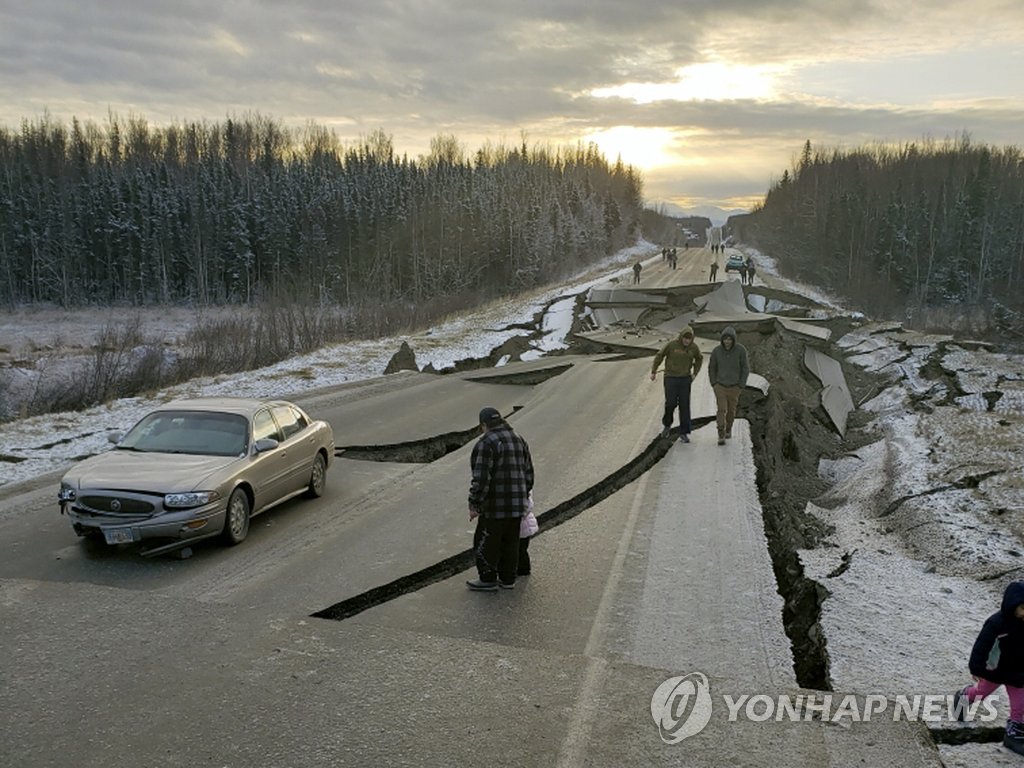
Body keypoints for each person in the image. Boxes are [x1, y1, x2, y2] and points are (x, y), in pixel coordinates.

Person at [467, 407, 534, 591]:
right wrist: (523, 496)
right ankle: (508, 580)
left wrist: (474, 504)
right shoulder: (519, 439)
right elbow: (529, 474)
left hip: (495, 506)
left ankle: (488, 579)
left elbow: (481, 478)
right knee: (511, 542)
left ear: (483, 425)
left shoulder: (487, 443)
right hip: (517, 505)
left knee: (485, 542)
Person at [954, 581, 1024, 754]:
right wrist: (976, 667)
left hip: (1018, 672)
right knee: (980, 693)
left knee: (1020, 703)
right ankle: (965, 697)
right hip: (995, 670)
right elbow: (981, 645)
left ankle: (1013, 734)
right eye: (1023, 608)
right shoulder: (996, 623)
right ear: (1012, 605)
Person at [650, 326, 702, 443]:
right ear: (681, 337)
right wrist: (654, 371)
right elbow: (660, 355)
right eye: (685, 338)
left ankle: (684, 432)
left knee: (684, 406)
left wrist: (695, 373)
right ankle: (667, 425)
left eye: (689, 339)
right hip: (670, 378)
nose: (686, 341)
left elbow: (699, 358)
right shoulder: (672, 345)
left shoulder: (693, 347)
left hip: (685, 379)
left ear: (692, 339)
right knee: (671, 403)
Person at [707, 327, 749, 445]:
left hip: (735, 387)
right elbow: (712, 368)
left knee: (731, 410)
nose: (727, 342)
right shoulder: (716, 351)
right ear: (722, 340)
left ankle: (728, 429)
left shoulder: (741, 350)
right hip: (720, 386)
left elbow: (745, 368)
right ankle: (721, 433)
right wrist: (714, 383)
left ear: (733, 340)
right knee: (721, 409)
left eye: (730, 339)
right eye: (725, 339)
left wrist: (741, 384)